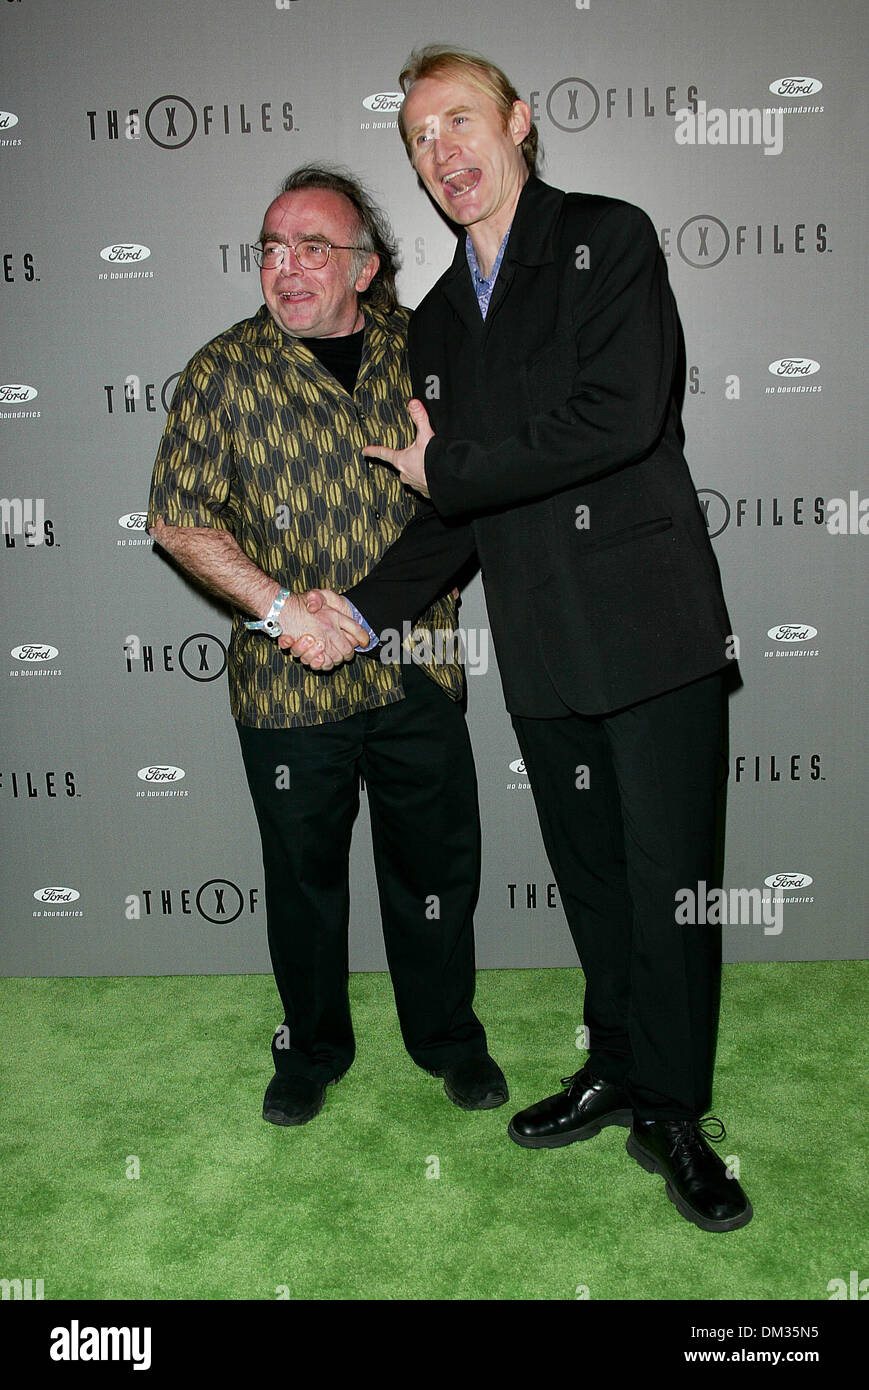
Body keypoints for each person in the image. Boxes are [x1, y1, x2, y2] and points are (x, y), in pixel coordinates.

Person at [291, 48, 752, 1232]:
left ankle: (676, 1111)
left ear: (517, 123)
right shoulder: (436, 321)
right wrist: (356, 608)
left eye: (458, 118)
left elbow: (616, 414)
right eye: (417, 136)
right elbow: (458, 513)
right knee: (597, 885)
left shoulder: (610, 237)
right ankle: (614, 1067)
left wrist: (449, 466)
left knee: (670, 890)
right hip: (543, 650)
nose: (441, 148)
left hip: (650, 633)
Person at [147, 163, 507, 1127]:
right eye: (271, 247)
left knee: (435, 871)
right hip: (284, 686)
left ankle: (447, 1039)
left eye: (313, 247)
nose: (287, 267)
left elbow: (471, 494)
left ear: (365, 266)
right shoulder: (220, 372)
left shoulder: (427, 354)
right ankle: (310, 1049)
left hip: (415, 669)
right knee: (302, 883)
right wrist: (280, 609)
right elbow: (177, 521)